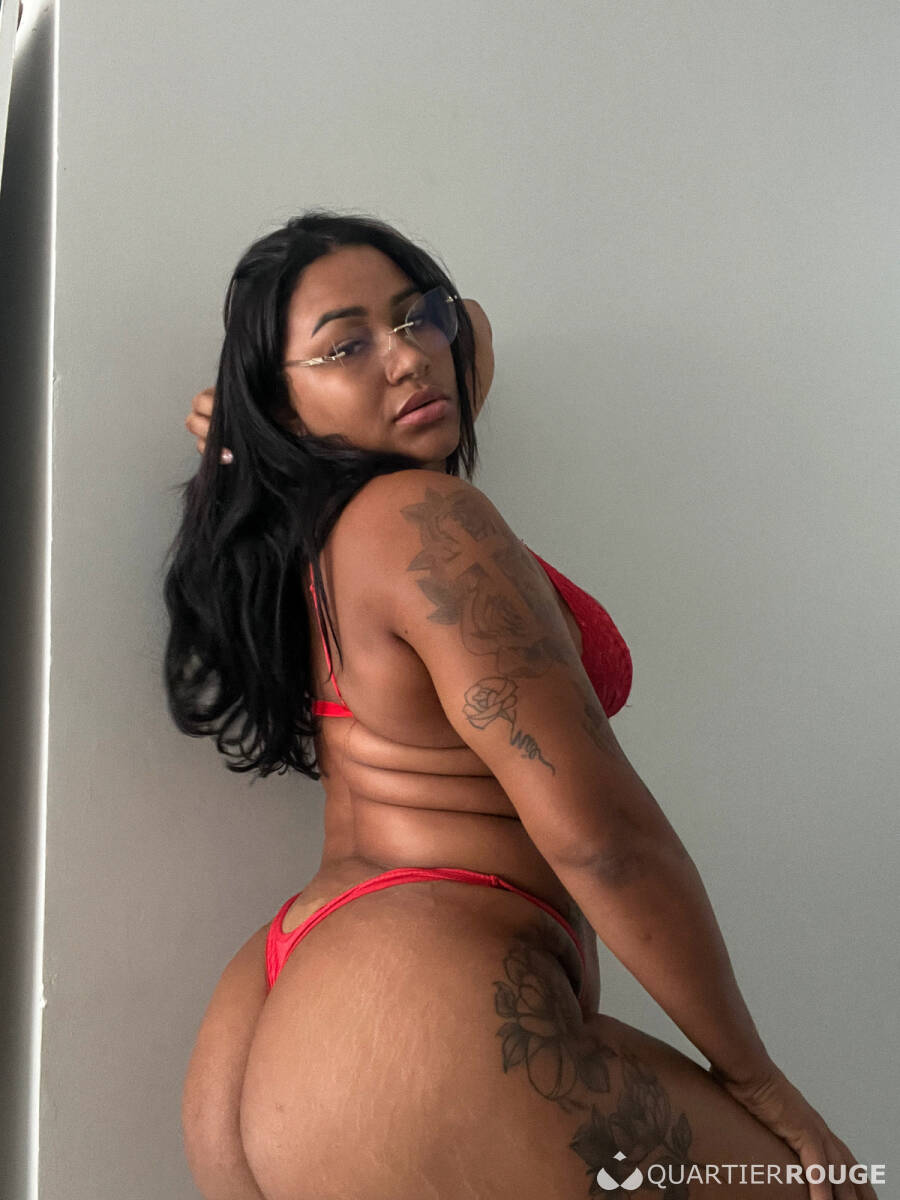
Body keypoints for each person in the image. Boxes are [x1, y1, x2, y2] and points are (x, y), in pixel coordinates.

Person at [167, 210, 875, 1200]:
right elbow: (602, 840)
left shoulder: (306, 528)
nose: (408, 358)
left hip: (281, 1027)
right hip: (415, 1016)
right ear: (280, 409)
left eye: (414, 319)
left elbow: (468, 329)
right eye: (345, 346)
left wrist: (285, 407)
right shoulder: (428, 520)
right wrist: (759, 1081)